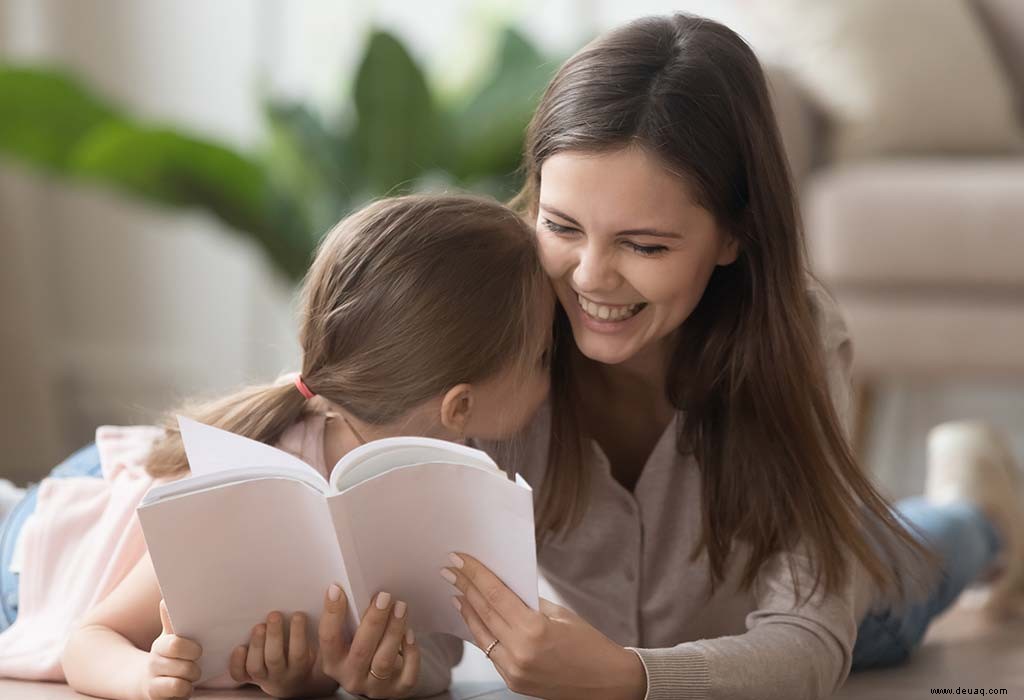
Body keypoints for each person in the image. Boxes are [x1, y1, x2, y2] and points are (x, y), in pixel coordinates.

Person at [428, 13, 1024, 700]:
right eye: (561, 226)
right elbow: (422, 621)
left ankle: (977, 505)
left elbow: (808, 642)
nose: (590, 276)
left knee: (921, 557)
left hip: (840, 616)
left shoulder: (793, 335)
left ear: (733, 235)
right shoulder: (489, 325)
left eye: (645, 245)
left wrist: (627, 676)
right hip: (681, 651)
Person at [0, 193, 554, 700]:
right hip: (62, 542)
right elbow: (92, 637)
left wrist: (335, 676)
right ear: (458, 406)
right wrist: (145, 675)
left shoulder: (454, 486)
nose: (554, 379)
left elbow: (432, 659)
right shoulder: (245, 495)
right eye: (542, 359)